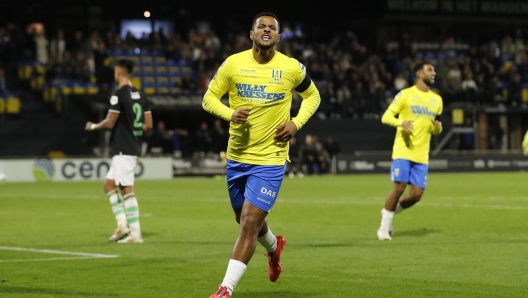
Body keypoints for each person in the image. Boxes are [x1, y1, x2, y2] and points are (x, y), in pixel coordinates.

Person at [203, 12, 320, 298]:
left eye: (272, 28)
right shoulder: (233, 64)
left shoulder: (291, 68)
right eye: (261, 27)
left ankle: (225, 289)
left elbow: (313, 97)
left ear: (278, 38)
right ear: (251, 34)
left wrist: (295, 123)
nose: (267, 30)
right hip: (237, 156)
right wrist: (230, 114)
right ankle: (274, 248)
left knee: (249, 223)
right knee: (244, 219)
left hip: (271, 158)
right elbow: (208, 99)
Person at [85, 58, 152, 243]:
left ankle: (135, 233)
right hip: (134, 146)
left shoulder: (118, 95)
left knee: (126, 189)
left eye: (115, 72)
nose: (114, 75)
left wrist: (92, 127)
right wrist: (134, 131)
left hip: (123, 148)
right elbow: (148, 124)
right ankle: (122, 225)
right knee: (109, 184)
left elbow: (110, 122)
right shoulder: (141, 94)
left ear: (119, 73)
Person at [377, 62, 443, 241]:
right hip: (403, 150)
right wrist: (401, 123)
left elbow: (435, 126)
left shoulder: (437, 100)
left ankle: (388, 212)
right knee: (399, 187)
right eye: (430, 69)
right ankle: (383, 229)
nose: (434, 73)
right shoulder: (405, 95)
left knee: (416, 195)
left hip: (422, 153)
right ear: (419, 73)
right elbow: (386, 117)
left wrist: (438, 127)